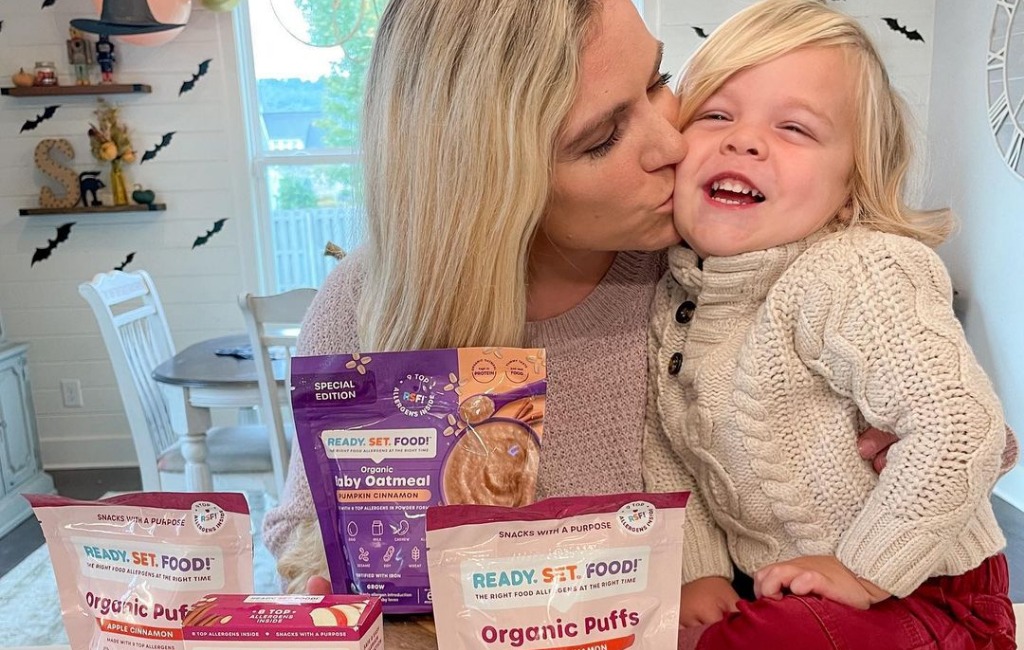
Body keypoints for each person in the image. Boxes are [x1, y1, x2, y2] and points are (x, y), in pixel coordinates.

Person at [262, 0, 916, 597]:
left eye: (659, 81)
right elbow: (303, 532)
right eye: (602, 138)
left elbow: (948, 425)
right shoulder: (368, 299)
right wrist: (321, 578)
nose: (674, 142)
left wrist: (891, 436)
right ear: (489, 179)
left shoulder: (722, 259)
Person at [643, 1, 1015, 647]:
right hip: (784, 588)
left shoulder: (856, 267)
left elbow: (958, 428)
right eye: (716, 115)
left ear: (851, 187)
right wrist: (698, 572)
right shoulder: (677, 296)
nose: (745, 139)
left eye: (794, 128)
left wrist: (865, 570)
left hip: (924, 590)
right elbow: (674, 455)